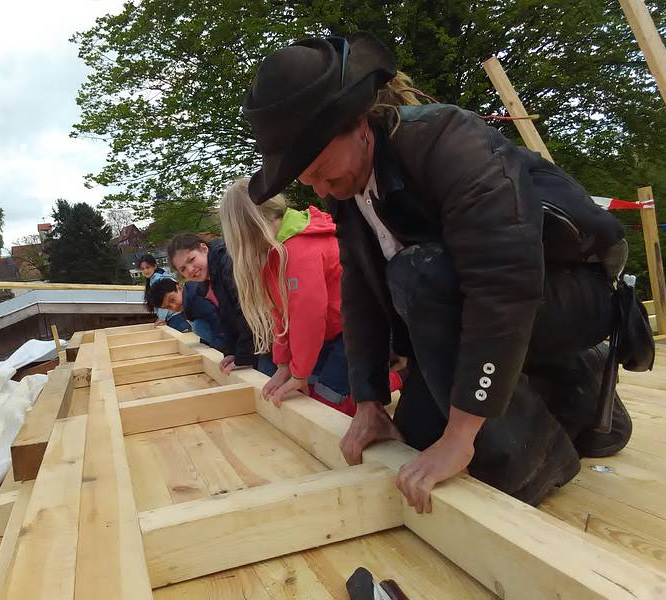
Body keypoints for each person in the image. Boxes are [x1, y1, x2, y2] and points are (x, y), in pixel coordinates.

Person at [241, 32, 634, 511]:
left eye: (323, 168)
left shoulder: (450, 141)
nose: (321, 187)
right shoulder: (347, 192)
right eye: (308, 179)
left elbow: (502, 288)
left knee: (420, 277)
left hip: (570, 295)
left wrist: (462, 435)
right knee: (416, 434)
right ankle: (575, 388)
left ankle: (534, 458)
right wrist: (369, 403)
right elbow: (361, 296)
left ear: (359, 124)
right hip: (477, 307)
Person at [220, 178, 399, 416]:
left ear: (249, 228)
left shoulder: (299, 252)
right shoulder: (273, 253)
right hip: (331, 333)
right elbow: (280, 316)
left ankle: (391, 379)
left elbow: (308, 318)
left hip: (356, 330)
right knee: (308, 396)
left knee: (327, 405)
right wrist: (284, 365)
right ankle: (377, 380)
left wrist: (299, 373)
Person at [168, 234, 275, 376]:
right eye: (183, 269)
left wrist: (242, 357)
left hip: (274, 332)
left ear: (204, 248)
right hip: (263, 336)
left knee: (266, 377)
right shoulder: (211, 279)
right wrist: (231, 352)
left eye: (192, 260)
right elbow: (227, 317)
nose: (191, 269)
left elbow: (246, 313)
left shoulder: (227, 263)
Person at [148, 276, 227, 350]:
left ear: (179, 288)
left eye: (172, 300)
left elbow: (216, 320)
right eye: (169, 307)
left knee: (198, 326)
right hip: (225, 327)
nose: (174, 306)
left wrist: (220, 346)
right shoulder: (187, 302)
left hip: (230, 327)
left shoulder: (196, 300)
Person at [139, 253, 191, 331]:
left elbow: (163, 302)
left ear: (155, 266)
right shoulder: (159, 277)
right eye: (143, 269)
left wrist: (161, 318)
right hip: (178, 315)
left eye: (148, 267)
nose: (145, 271)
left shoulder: (157, 280)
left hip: (175, 317)